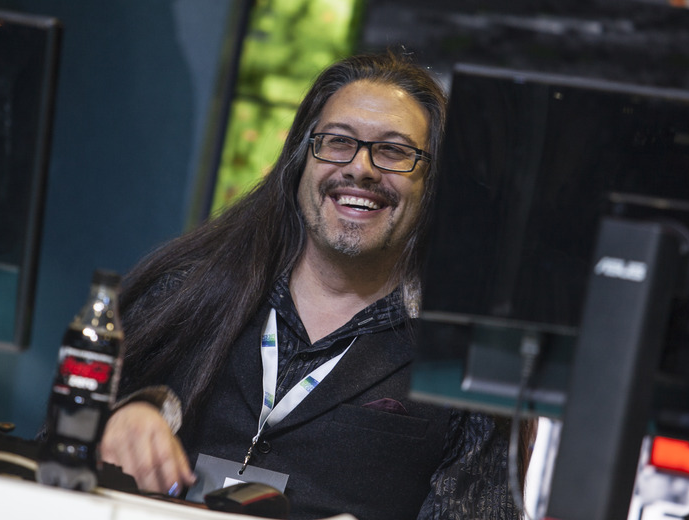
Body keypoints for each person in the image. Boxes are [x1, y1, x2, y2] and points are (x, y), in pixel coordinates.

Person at [101, 51, 535, 520]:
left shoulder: (465, 362)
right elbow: (57, 443)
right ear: (301, 158)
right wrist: (121, 414)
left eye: (394, 151)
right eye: (338, 141)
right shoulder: (187, 290)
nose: (361, 169)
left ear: (434, 183)